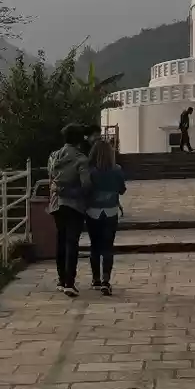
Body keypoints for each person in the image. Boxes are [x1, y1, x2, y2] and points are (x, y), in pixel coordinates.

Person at [48, 122, 92, 296]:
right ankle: (69, 282)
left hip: (56, 204)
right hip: (74, 205)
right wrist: (73, 192)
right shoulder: (81, 159)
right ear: (79, 140)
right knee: (72, 242)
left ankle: (61, 279)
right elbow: (86, 185)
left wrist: (59, 190)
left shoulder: (54, 156)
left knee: (61, 240)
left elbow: (51, 179)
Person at [86, 135, 126, 295]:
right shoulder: (117, 170)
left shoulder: (90, 171)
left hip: (92, 211)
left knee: (94, 245)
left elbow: (86, 189)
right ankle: (106, 280)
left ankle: (95, 278)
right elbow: (122, 190)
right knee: (108, 246)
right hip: (111, 210)